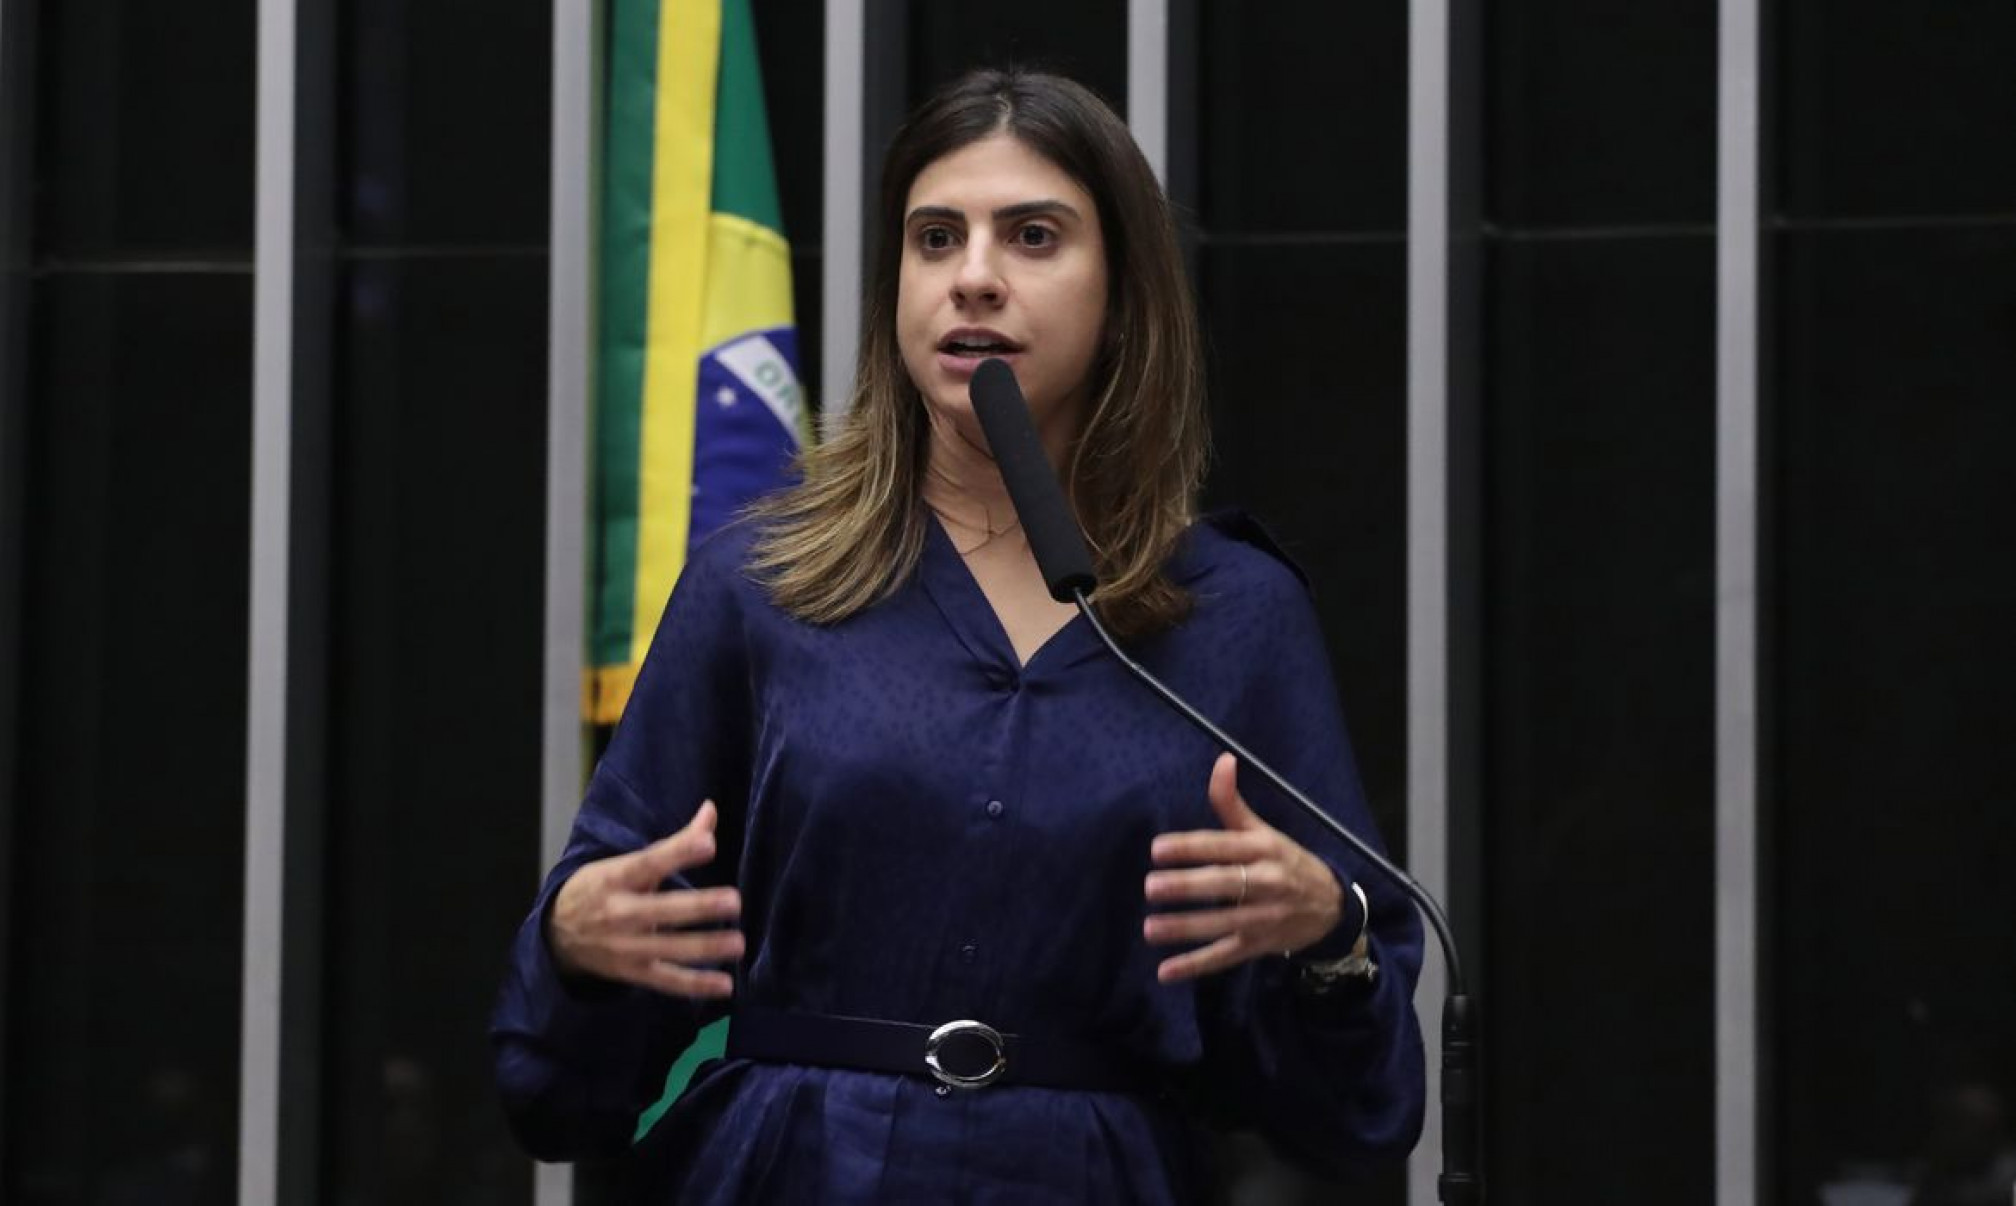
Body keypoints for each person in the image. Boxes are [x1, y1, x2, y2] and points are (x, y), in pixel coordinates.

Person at [492, 67, 1426, 1202]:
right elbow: (560, 1091)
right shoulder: (761, 585)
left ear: (1124, 291)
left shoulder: (1233, 615)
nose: (973, 278)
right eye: (935, 239)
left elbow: (1363, 1114)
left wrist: (1330, 936)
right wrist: (573, 951)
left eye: (1032, 237)